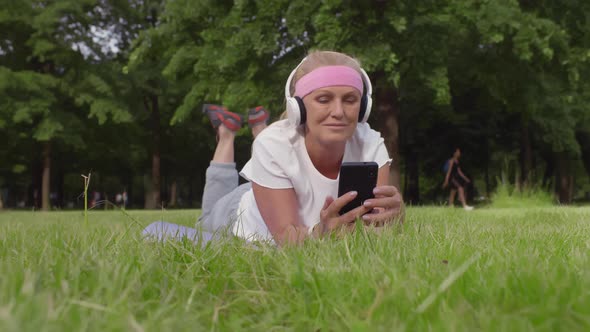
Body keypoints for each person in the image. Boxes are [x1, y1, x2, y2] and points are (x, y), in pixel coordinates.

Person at [143, 50, 404, 246]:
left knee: (269, 145)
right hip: (242, 211)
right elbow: (286, 240)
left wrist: (394, 217)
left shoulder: (370, 143)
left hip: (276, 182)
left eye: (350, 100)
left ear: (363, 107)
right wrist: (321, 235)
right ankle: (227, 135)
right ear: (297, 108)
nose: (338, 112)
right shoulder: (274, 145)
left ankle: (254, 131)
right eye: (323, 99)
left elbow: (371, 233)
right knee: (202, 221)